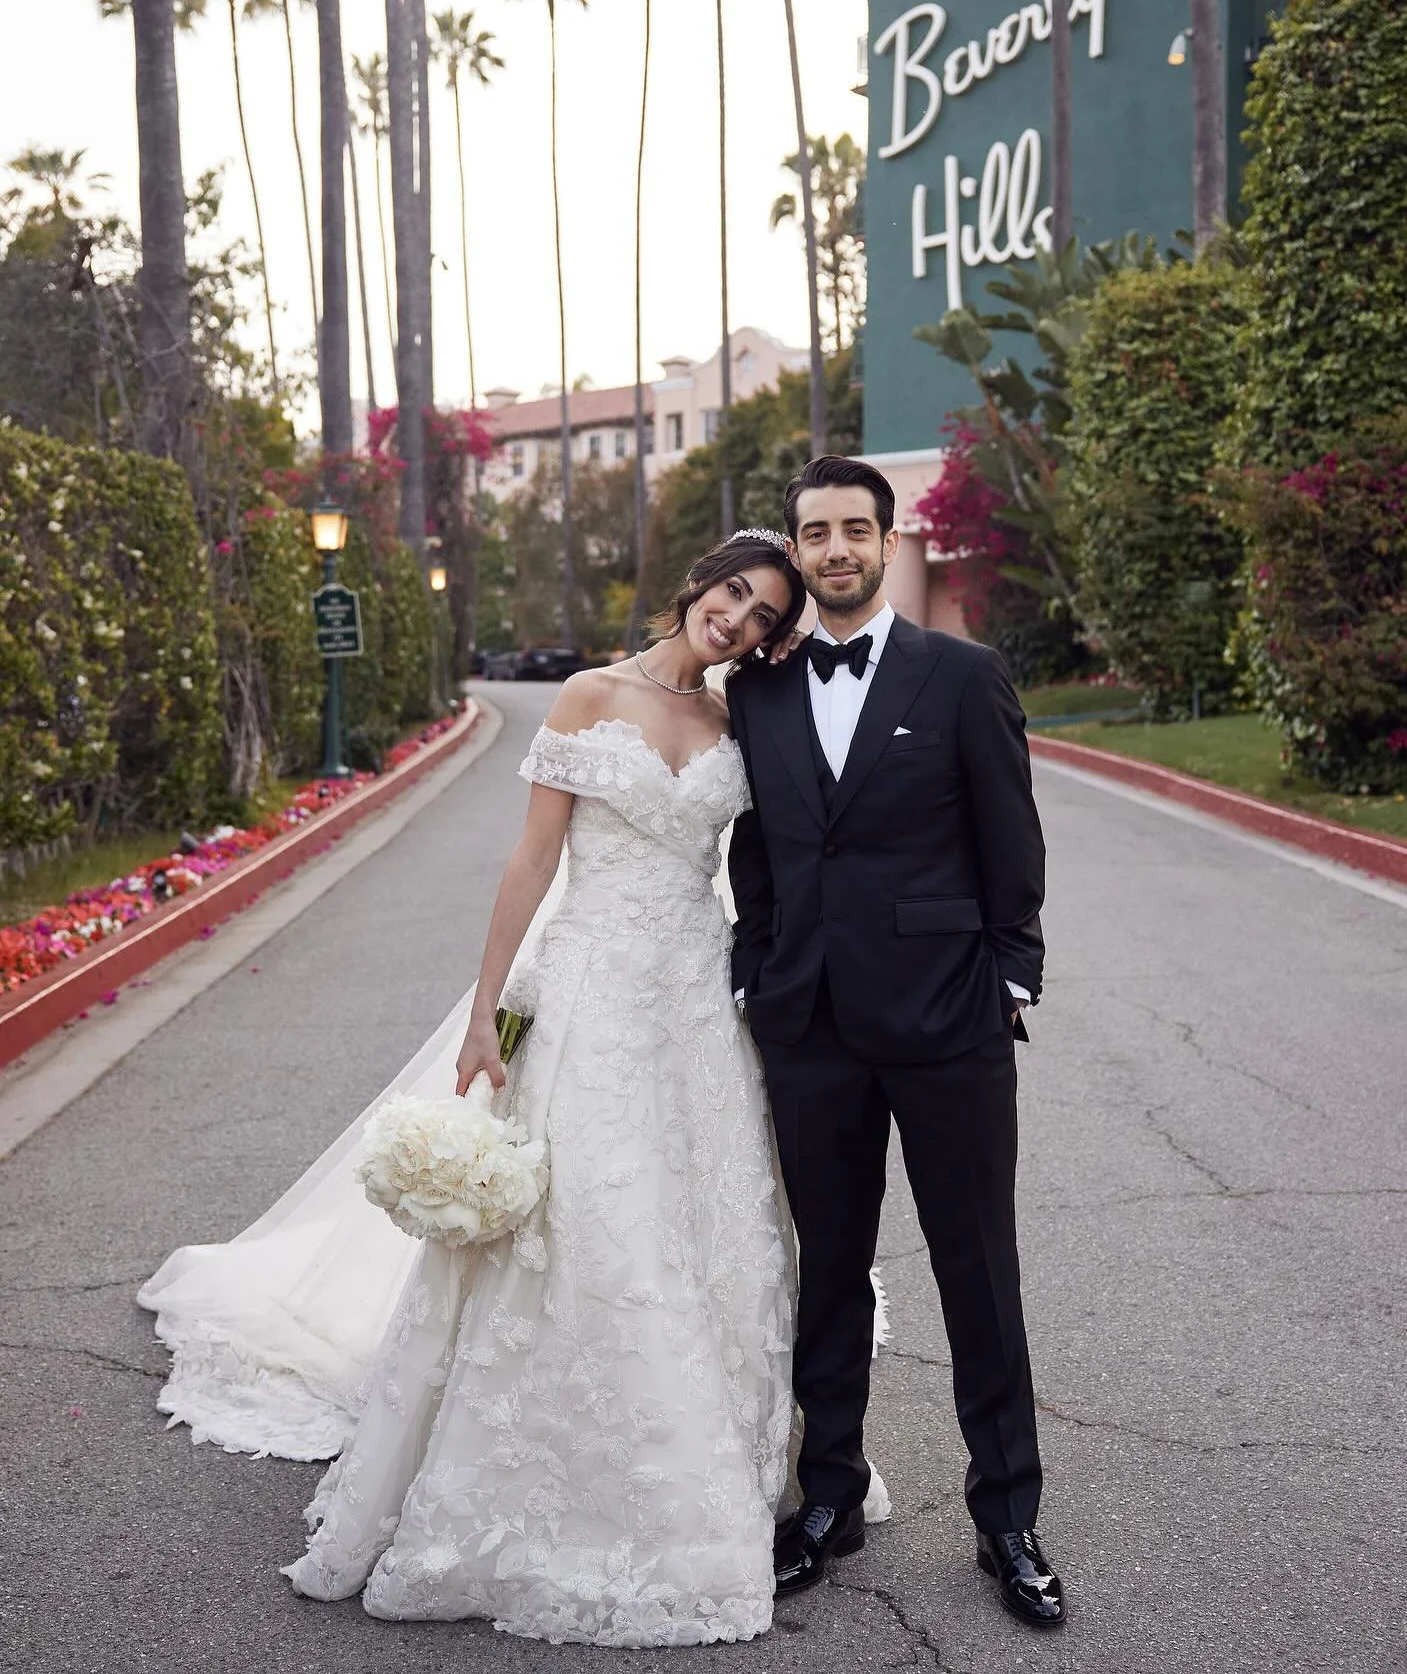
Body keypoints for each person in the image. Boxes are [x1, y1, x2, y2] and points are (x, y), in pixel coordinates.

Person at [139, 531, 882, 1648]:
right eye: (734, 592)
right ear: (699, 584)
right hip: (589, 993)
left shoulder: (742, 720)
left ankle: (716, 1450)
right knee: (592, 1225)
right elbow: (534, 859)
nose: (738, 619)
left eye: (764, 616)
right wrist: (486, 1007)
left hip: (694, 1001)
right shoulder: (589, 695)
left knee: (708, 1226)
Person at [725, 457, 1065, 1631]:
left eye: (854, 531)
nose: (836, 550)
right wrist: (755, 967)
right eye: (815, 533)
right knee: (827, 1267)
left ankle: (1007, 1517)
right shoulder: (758, 690)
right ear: (796, 548)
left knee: (979, 1269)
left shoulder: (963, 675)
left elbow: (1010, 836)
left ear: (886, 540)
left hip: (949, 1018)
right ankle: (828, 1497)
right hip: (809, 1025)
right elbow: (757, 848)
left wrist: (1010, 974)